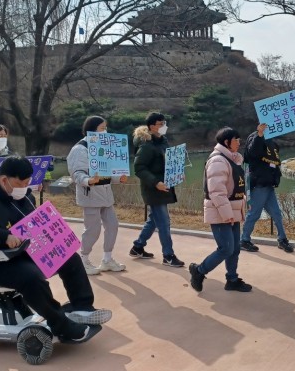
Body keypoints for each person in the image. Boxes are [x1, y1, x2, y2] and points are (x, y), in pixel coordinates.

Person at [0, 156, 111, 343]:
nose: (25, 187)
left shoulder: (23, 196)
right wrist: (3, 237)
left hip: (16, 253)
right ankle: (61, 325)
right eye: (22, 183)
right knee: (31, 277)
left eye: (28, 183)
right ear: (4, 180)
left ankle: (81, 306)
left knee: (69, 258)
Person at [189, 127, 253, 293]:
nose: (239, 142)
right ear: (226, 142)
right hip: (221, 213)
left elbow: (234, 186)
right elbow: (217, 191)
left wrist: (243, 204)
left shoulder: (231, 159)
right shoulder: (218, 161)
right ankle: (199, 271)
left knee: (235, 249)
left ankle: (232, 280)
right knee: (226, 248)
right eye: (236, 140)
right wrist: (227, 214)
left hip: (232, 211)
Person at [68, 116, 127, 275]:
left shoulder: (104, 147)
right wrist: (89, 180)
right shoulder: (79, 149)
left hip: (106, 194)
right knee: (92, 230)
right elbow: (76, 173)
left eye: (105, 128)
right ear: (92, 130)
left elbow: (109, 171)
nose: (105, 131)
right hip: (90, 195)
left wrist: (118, 178)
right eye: (102, 128)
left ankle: (107, 259)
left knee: (112, 225)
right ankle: (84, 259)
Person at [129, 112, 185, 267]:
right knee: (164, 222)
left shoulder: (163, 142)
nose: (164, 126)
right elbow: (139, 168)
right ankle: (168, 255)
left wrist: (177, 173)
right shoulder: (146, 146)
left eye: (164, 123)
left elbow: (169, 162)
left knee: (154, 220)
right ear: (152, 126)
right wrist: (155, 182)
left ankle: (137, 247)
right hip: (153, 189)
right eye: (161, 124)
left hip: (164, 186)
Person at [239, 123, 294, 253]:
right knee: (254, 214)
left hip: (268, 184)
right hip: (259, 184)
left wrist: (275, 178)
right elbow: (252, 152)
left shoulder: (271, 141)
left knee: (276, 214)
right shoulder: (254, 137)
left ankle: (282, 239)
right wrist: (259, 135)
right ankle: (244, 240)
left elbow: (274, 160)